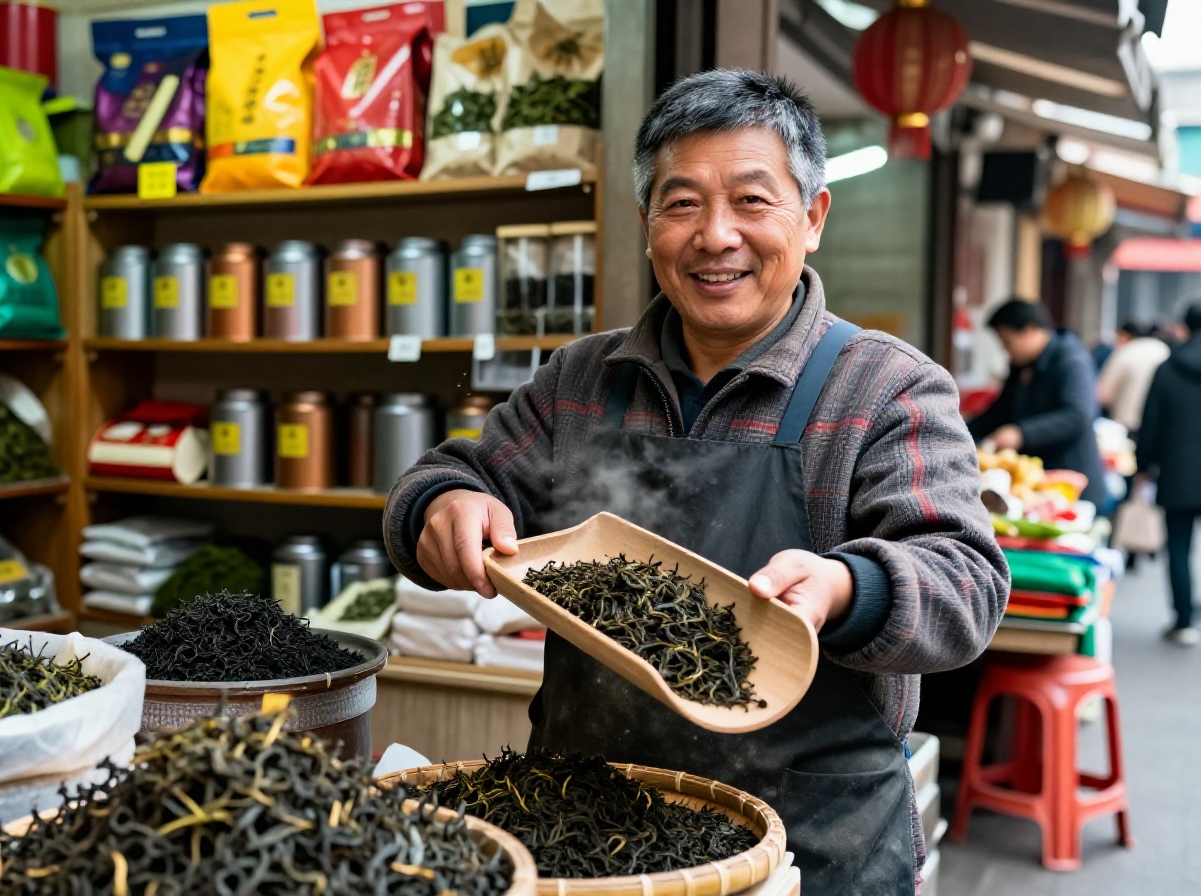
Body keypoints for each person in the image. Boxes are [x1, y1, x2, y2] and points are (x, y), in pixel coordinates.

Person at [382, 70, 1007, 894]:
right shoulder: (581, 379)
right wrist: (443, 502)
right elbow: (451, 473)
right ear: (647, 226)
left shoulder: (884, 387)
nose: (716, 236)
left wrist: (845, 588)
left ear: (812, 218)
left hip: (812, 844)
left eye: (753, 200)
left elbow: (964, 580)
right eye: (681, 204)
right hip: (590, 829)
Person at [967, 300, 1108, 509]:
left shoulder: (1071, 360)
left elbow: (1077, 414)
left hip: (1071, 484)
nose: (1006, 350)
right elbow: (999, 411)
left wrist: (1021, 434)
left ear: (1031, 330)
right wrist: (961, 432)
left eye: (1008, 342)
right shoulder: (1020, 366)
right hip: (1035, 488)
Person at [1135, 302, 1201, 647]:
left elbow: (1151, 423)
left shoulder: (1169, 368)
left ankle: (1184, 620)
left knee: (1178, 546)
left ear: (1185, 327)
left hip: (1179, 472)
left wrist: (1142, 465)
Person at [1098, 321, 1169, 437]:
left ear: (1126, 335)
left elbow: (1103, 395)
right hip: (1157, 428)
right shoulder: (1164, 351)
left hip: (1125, 427)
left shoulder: (1125, 351)